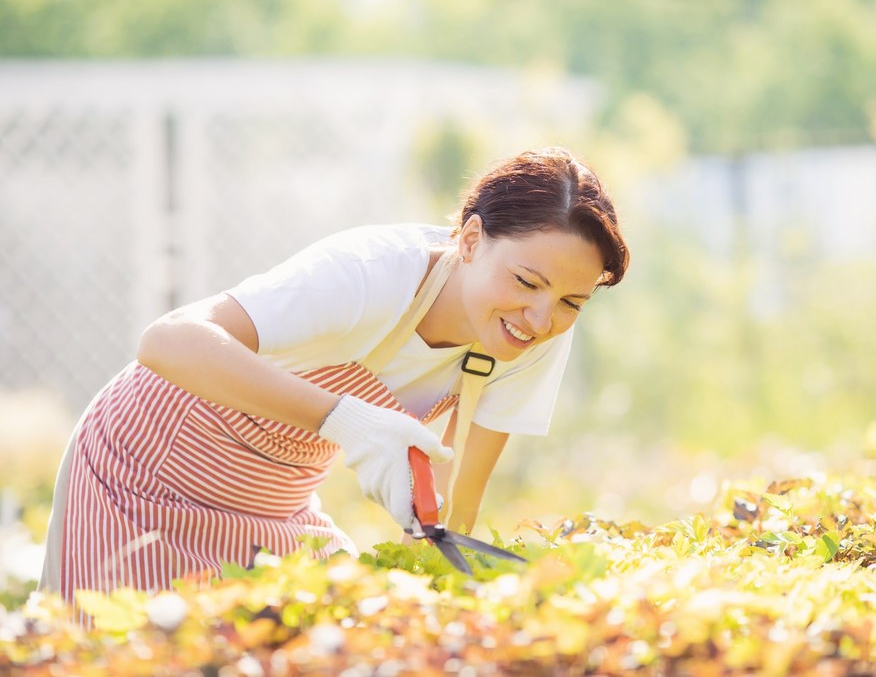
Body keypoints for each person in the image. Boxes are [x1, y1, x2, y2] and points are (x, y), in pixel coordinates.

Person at [38, 146, 629, 607]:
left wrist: (443, 586)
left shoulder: (536, 334)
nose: (541, 317)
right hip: (141, 473)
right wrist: (346, 421)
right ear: (471, 239)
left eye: (572, 301)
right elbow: (166, 341)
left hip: (275, 501)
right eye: (527, 282)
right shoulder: (371, 274)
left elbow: (453, 511)